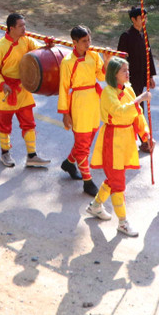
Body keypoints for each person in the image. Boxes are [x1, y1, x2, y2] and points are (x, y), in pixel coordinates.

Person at [84, 57, 151, 237]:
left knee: (114, 178)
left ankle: (96, 206)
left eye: (127, 70)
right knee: (118, 182)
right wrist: (139, 99)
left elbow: (138, 115)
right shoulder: (107, 93)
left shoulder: (128, 89)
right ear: (114, 74)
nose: (127, 73)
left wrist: (145, 135)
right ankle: (122, 222)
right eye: (123, 70)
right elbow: (119, 112)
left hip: (126, 140)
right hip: (112, 140)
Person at [0, 13, 50, 169]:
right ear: (11, 28)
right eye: (21, 26)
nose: (24, 28)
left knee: (29, 123)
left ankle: (32, 156)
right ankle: (5, 153)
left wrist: (47, 46)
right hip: (6, 91)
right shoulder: (0, 46)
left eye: (24, 25)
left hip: (23, 89)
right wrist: (2, 84)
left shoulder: (26, 40)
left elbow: (39, 51)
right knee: (4, 125)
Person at [58, 25, 107, 196]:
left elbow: (102, 76)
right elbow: (63, 88)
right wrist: (65, 113)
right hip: (79, 103)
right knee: (83, 144)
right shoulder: (67, 62)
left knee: (86, 140)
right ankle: (88, 181)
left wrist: (106, 60)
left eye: (89, 40)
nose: (88, 44)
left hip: (94, 100)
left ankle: (70, 163)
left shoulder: (94, 55)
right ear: (75, 42)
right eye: (84, 41)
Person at [117, 8, 156, 153]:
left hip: (141, 78)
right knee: (132, 109)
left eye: (145, 17)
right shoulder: (125, 36)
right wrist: (121, 78)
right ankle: (141, 139)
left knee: (140, 109)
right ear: (133, 19)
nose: (144, 20)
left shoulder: (144, 35)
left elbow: (149, 56)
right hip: (129, 79)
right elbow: (120, 59)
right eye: (141, 18)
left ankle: (144, 140)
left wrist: (150, 75)